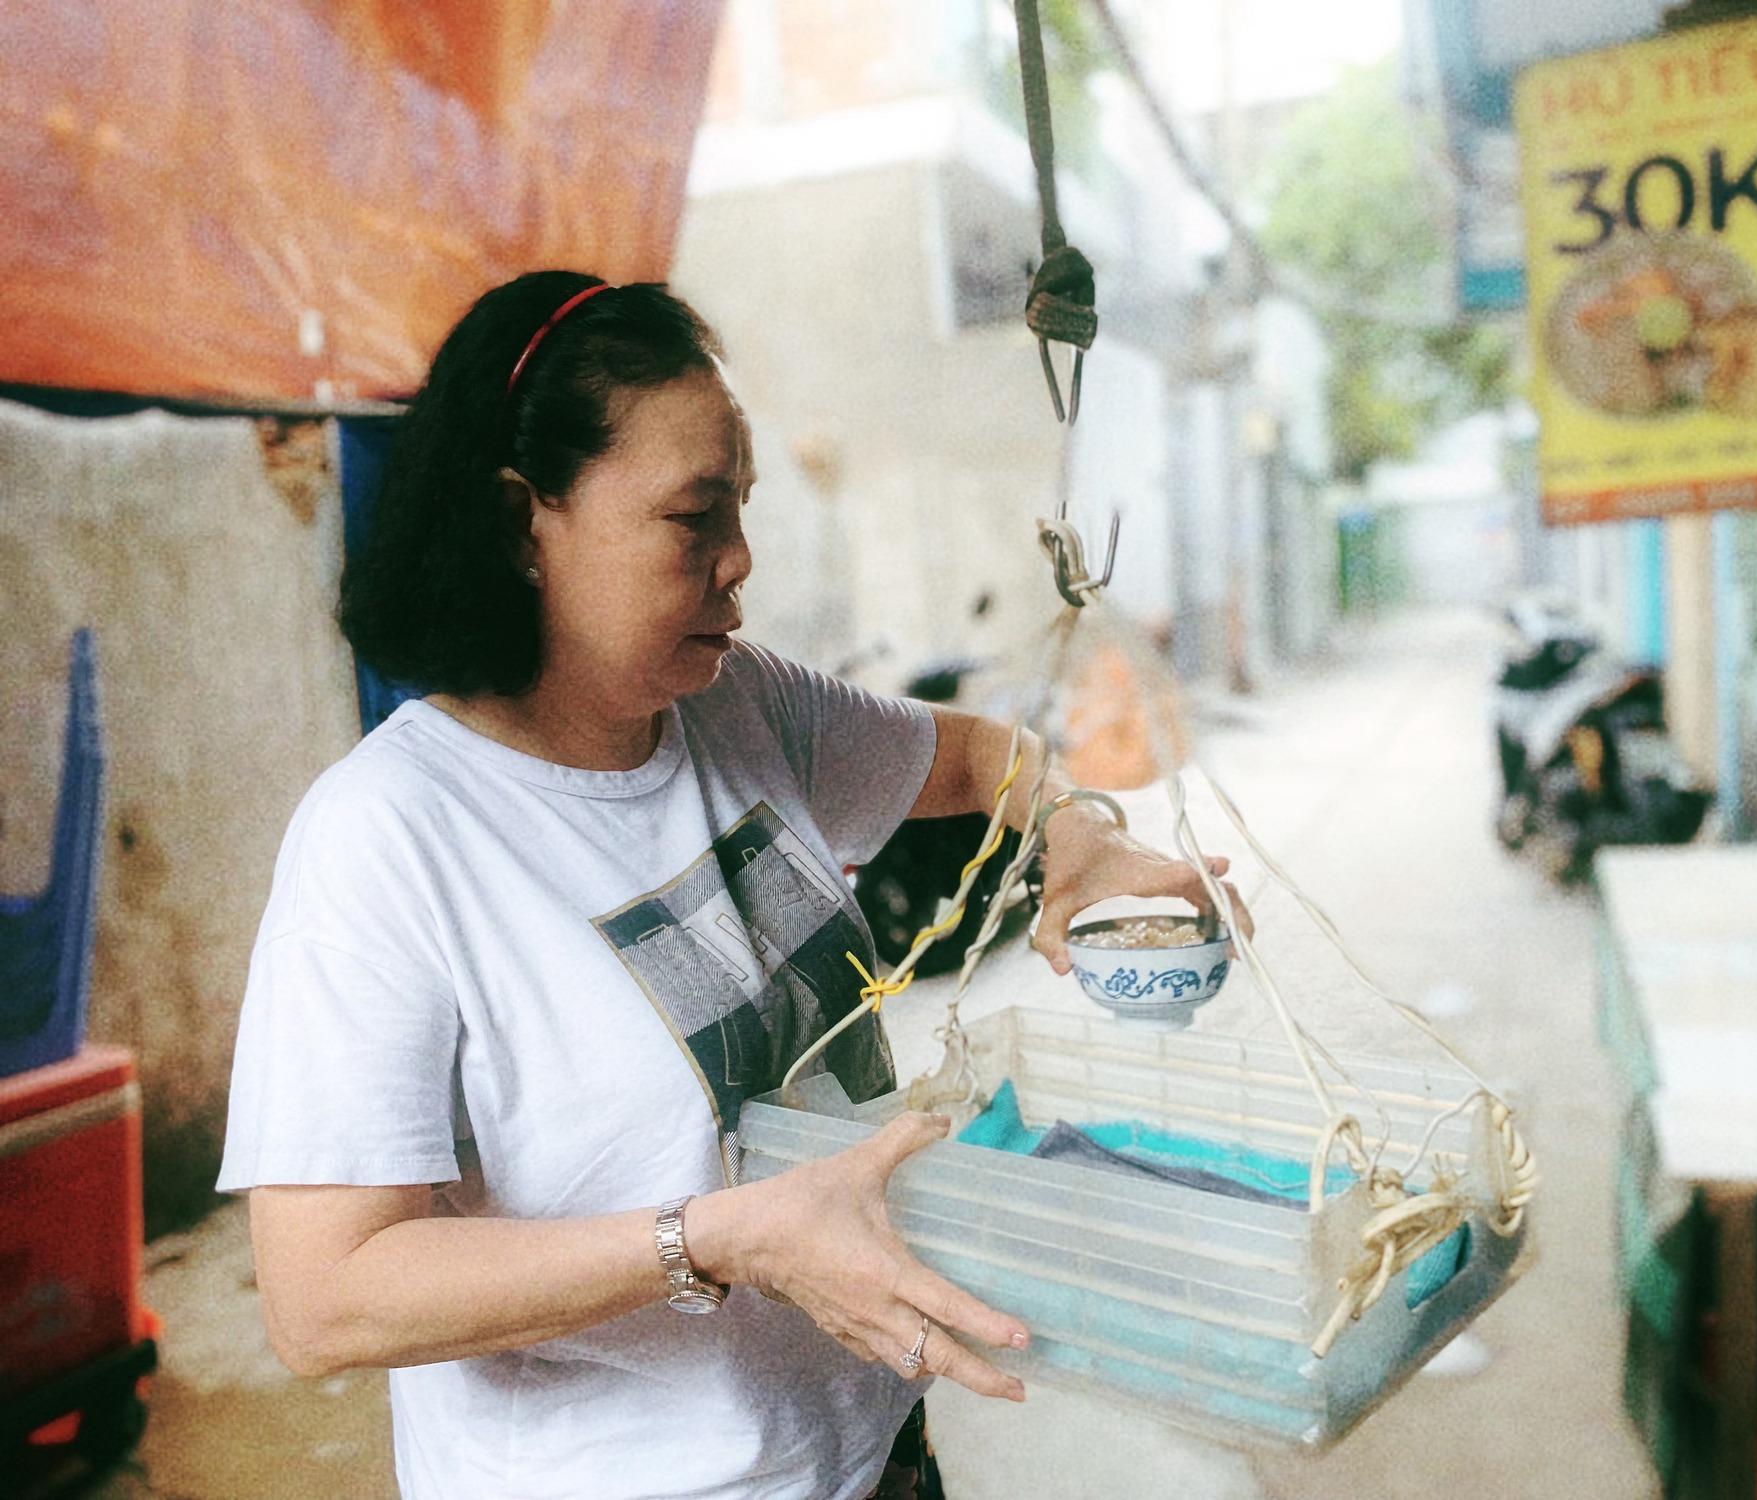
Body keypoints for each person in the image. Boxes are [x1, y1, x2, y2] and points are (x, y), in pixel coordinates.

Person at [217, 271, 1241, 1500]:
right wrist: (715, 1239)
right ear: (516, 525)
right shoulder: (387, 840)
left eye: (740, 507)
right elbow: (324, 1299)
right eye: (691, 517)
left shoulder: (740, 705)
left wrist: (1072, 829)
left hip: (870, 1460)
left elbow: (976, 757)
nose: (738, 558)